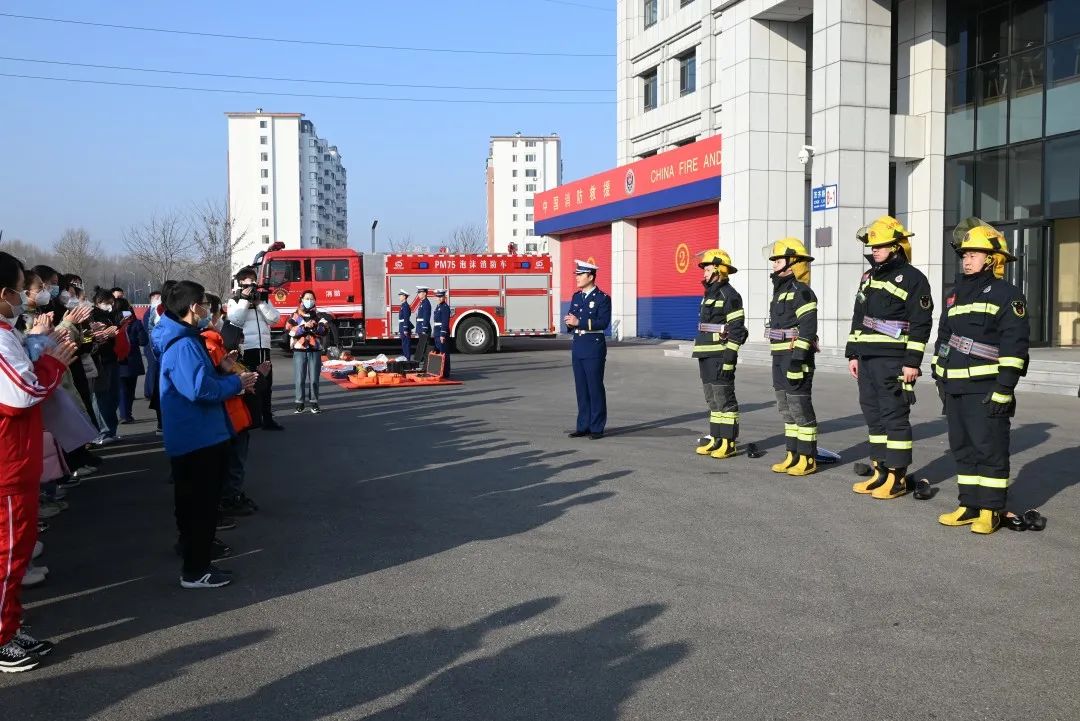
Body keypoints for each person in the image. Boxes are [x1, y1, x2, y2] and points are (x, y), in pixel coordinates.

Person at [0, 251, 78, 672]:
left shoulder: (6, 331)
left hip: (17, 460)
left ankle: (9, 626)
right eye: (18, 288)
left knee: (16, 552)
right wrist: (50, 364)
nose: (23, 296)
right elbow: (21, 394)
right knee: (8, 555)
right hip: (6, 467)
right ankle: (1, 637)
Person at [154, 280, 257, 588]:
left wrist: (223, 370)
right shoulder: (184, 344)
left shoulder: (183, 338)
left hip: (195, 435)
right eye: (204, 304)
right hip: (197, 437)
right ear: (192, 308)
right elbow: (199, 389)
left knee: (193, 504)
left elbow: (198, 380)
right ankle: (196, 569)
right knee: (199, 505)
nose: (208, 311)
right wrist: (235, 384)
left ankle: (196, 553)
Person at [933, 219, 1030, 535]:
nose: (967, 259)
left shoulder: (1007, 295)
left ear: (992, 258)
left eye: (974, 254)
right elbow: (945, 335)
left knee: (989, 448)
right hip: (956, 386)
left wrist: (1004, 388)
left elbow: (1014, 345)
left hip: (987, 387)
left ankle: (991, 510)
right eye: (965, 254)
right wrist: (939, 371)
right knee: (963, 448)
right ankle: (969, 505)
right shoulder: (956, 294)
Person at [845, 215, 933, 499]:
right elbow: (859, 317)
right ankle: (880, 470)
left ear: (896, 246)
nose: (875, 251)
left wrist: (912, 363)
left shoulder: (914, 279)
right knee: (874, 418)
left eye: (881, 246)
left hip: (894, 360)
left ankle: (897, 477)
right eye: (872, 246)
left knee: (894, 418)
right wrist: (853, 354)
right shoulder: (868, 277)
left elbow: (921, 323)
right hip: (868, 358)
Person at [763, 238, 820, 475]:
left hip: (795, 358)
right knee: (786, 409)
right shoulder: (780, 292)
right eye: (774, 259)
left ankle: (807, 458)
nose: (774, 263)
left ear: (792, 262)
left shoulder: (802, 292)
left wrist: (797, 359)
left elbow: (807, 330)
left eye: (778, 259)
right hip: (778, 357)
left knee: (800, 407)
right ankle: (792, 455)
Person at [691, 249, 748, 459]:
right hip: (705, 353)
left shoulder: (730, 295)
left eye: (707, 268)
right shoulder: (709, 295)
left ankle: (729, 442)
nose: (704, 273)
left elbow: (737, 328)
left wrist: (730, 358)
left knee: (725, 400)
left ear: (718, 269)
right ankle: (716, 439)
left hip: (720, 355)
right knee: (713, 401)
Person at [227, 267, 283, 431]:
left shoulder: (263, 299)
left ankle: (267, 419)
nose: (251, 283)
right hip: (246, 348)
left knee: (266, 385)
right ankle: (250, 418)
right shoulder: (235, 300)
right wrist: (244, 300)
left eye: (253, 279)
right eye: (246, 280)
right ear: (240, 283)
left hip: (263, 347)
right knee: (249, 385)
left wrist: (259, 304)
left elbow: (274, 319)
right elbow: (235, 320)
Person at [565, 260, 610, 440]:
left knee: (594, 387)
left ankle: (597, 427)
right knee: (581, 388)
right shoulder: (577, 297)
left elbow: (603, 323)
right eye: (576, 274)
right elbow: (572, 317)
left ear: (590, 276)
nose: (577, 278)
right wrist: (569, 323)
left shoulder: (602, 298)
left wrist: (579, 322)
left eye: (580, 274)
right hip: (578, 346)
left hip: (593, 346)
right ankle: (583, 425)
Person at [285, 290, 327, 414]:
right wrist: (304, 327)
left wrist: (314, 326)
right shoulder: (295, 315)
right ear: (302, 299)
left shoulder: (319, 315)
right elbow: (290, 330)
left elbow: (325, 330)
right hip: (299, 349)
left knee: (314, 378)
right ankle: (299, 403)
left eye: (311, 298)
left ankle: (314, 402)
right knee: (300, 378)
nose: (309, 300)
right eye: (307, 298)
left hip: (315, 349)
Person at [89, 287, 122, 445]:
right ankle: (103, 431)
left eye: (112, 302)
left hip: (112, 358)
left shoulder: (109, 316)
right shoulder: (93, 316)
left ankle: (111, 430)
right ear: (98, 302)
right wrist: (105, 336)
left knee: (113, 396)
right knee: (101, 397)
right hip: (101, 361)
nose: (111, 305)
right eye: (108, 303)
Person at [115, 298, 148, 424]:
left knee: (121, 388)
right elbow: (143, 341)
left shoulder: (112, 321)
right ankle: (127, 413)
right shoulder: (134, 322)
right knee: (130, 389)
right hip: (132, 359)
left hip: (117, 358)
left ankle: (124, 414)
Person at [142, 289, 161, 401]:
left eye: (160, 298)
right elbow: (148, 330)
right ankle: (150, 391)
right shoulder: (148, 313)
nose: (159, 300)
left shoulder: (159, 312)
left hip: (155, 345)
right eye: (156, 298)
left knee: (154, 368)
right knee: (152, 368)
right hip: (150, 346)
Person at [432, 289, 452, 378]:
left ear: (444, 297)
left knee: (444, 353)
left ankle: (446, 372)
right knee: (439, 352)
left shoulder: (445, 307)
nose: (439, 298)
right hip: (437, 332)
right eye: (438, 297)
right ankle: (440, 371)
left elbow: (445, 322)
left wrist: (442, 334)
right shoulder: (438, 306)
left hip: (441, 332)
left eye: (441, 297)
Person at [397, 290, 413, 359]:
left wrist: (405, 329)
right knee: (404, 344)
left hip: (404, 327)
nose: (399, 297)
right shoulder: (403, 305)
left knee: (406, 345)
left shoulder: (406, 306)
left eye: (400, 296)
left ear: (404, 297)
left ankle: (407, 359)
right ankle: (405, 358)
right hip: (402, 327)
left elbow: (406, 318)